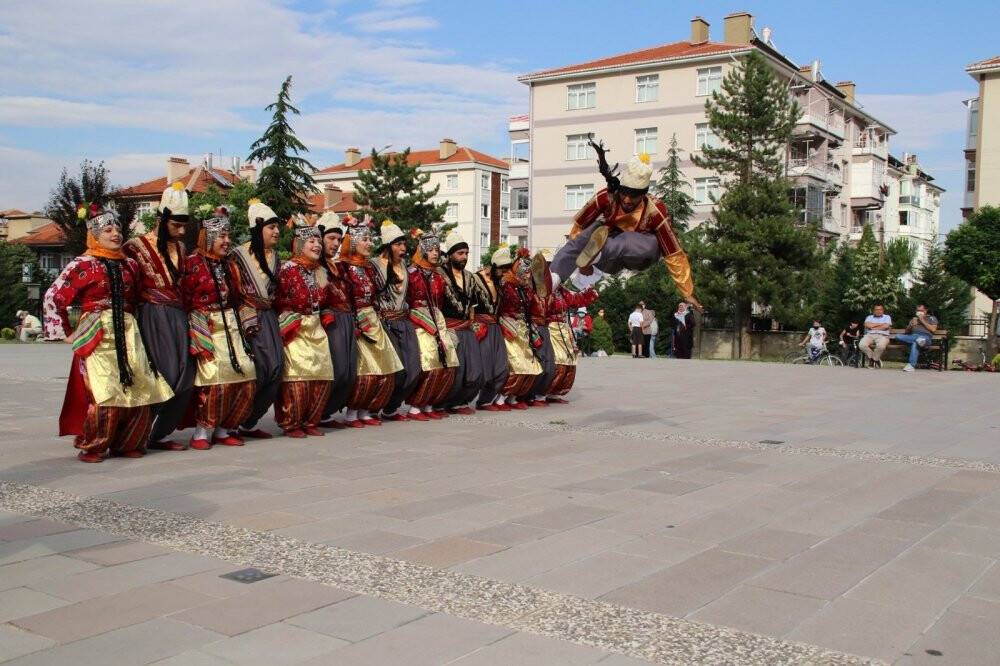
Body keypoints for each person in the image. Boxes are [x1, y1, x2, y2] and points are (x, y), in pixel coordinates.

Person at [42, 205, 173, 462]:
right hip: (98, 331)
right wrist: (66, 332)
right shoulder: (83, 264)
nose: (115, 234)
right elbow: (53, 296)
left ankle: (129, 442)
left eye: (118, 229)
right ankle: (95, 444)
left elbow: (137, 298)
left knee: (140, 386)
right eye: (108, 230)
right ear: (94, 234)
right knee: (105, 389)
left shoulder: (131, 265)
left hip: (128, 330)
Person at [548, 137, 701, 315]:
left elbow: (674, 253)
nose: (627, 200)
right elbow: (578, 228)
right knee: (595, 228)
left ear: (643, 195)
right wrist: (578, 262)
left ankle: (595, 256)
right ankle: (553, 279)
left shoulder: (655, 210)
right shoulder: (607, 197)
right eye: (624, 194)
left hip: (640, 254)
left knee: (630, 240)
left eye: (634, 197)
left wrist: (687, 292)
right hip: (608, 258)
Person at [122, 182, 194, 451]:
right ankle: (137, 433)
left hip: (178, 315)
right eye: (176, 224)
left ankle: (160, 434)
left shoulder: (182, 249)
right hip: (151, 315)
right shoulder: (135, 247)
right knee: (162, 373)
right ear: (163, 220)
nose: (182, 230)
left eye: (184, 224)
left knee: (186, 377)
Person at [180, 209, 256, 450]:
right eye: (221, 236)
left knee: (247, 375)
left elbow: (241, 296)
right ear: (208, 237)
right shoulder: (192, 263)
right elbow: (184, 297)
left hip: (232, 328)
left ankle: (226, 428)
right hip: (207, 327)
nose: (226, 241)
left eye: (228, 235)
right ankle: (204, 430)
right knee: (215, 379)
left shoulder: (231, 266)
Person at [273, 215, 335, 437]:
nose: (317, 245)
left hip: (317, 328)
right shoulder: (287, 269)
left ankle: (311, 420)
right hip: (296, 329)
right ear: (299, 244)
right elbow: (279, 299)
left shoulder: (320, 271)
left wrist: (326, 314)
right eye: (312, 241)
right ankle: (292, 422)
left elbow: (326, 300)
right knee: (298, 377)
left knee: (321, 375)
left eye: (319, 241)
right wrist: (290, 319)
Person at [340, 216, 403, 426]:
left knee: (384, 365)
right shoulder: (344, 268)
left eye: (370, 239)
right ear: (353, 243)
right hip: (357, 320)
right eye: (364, 239)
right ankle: (352, 411)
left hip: (374, 319)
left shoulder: (368, 268)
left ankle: (367, 409)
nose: (369, 243)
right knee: (364, 368)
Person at [230, 199, 284, 439]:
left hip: (269, 317)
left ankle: (249, 422)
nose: (276, 231)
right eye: (271, 227)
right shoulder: (238, 255)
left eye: (277, 227)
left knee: (276, 369)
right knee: (258, 370)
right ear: (257, 229)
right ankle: (235, 420)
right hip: (247, 318)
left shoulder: (276, 257)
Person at [403, 229, 459, 420]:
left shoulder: (438, 277)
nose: (436, 253)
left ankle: (429, 403)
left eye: (438, 249)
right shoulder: (410, 273)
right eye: (432, 249)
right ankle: (415, 405)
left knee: (448, 363)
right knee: (430, 362)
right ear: (423, 250)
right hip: (419, 322)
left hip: (438, 320)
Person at [373, 220, 420, 422]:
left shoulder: (405, 267)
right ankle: (378, 407)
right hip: (386, 323)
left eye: (404, 244)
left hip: (404, 321)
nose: (403, 248)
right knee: (396, 370)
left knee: (414, 369)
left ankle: (392, 408)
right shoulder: (374, 265)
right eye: (398, 244)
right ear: (387, 246)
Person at [317, 215, 357, 428]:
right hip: (330, 321)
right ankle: (319, 411)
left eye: (338, 240)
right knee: (338, 369)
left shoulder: (338, 267)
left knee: (349, 371)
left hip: (347, 320)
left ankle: (327, 412)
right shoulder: (315, 266)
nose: (335, 244)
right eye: (331, 238)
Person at [439, 229, 485, 415]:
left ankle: (462, 401)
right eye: (460, 253)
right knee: (454, 371)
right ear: (450, 255)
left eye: (466, 253)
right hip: (448, 328)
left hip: (467, 328)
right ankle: (444, 402)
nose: (464, 257)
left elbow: (474, 304)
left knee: (475, 370)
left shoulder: (470, 277)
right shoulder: (439, 274)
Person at [494, 247, 542, 409]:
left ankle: (514, 396)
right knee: (515, 364)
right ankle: (501, 397)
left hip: (524, 330)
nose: (529, 275)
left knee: (528, 363)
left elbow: (534, 308)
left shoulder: (526, 289)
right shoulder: (506, 285)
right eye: (526, 271)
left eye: (530, 272)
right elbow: (499, 307)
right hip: (510, 330)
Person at [545, 277, 597, 402]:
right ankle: (545, 391)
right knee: (558, 359)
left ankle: (555, 392)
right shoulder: (545, 290)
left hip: (564, 328)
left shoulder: (562, 291)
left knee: (570, 359)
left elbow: (576, 300)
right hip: (551, 328)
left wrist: (589, 288)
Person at [472, 248, 511, 411]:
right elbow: (469, 305)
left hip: (495, 327)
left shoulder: (499, 282)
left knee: (502, 367)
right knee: (485, 368)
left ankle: (487, 400)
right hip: (482, 327)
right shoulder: (476, 279)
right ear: (494, 266)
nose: (504, 274)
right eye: (502, 270)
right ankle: (481, 400)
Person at [894, 304, 938, 372]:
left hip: (926, 338)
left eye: (921, 310)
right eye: (918, 310)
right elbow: (906, 332)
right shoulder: (914, 319)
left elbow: (933, 330)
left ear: (925, 311)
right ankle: (919, 341)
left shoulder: (932, 318)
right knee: (897, 336)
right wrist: (910, 325)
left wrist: (922, 320)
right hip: (913, 336)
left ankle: (911, 365)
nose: (919, 312)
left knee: (916, 342)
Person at [859, 303, 892, 368]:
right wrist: (880, 324)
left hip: (882, 335)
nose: (878, 311)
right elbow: (867, 325)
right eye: (876, 310)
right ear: (873, 311)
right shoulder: (869, 317)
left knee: (881, 346)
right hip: (870, 335)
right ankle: (874, 359)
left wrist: (872, 326)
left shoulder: (887, 317)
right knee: (861, 345)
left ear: (883, 310)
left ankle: (873, 360)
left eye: (880, 309)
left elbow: (886, 326)